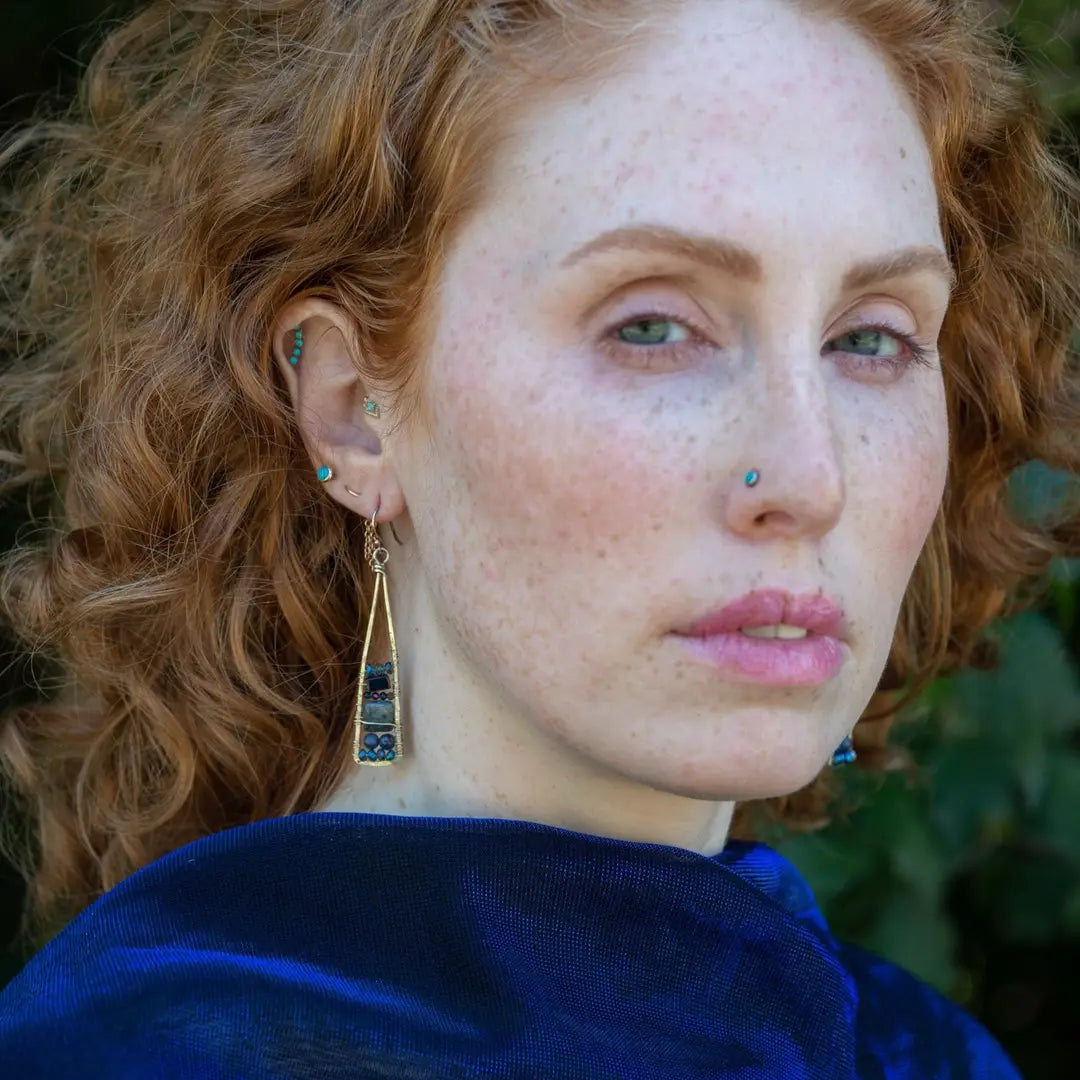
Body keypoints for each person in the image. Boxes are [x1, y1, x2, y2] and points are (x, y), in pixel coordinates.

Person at [0, 0, 1076, 1074]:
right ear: (351, 410)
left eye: (874, 339)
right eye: (653, 327)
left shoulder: (926, 1061)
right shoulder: (117, 1055)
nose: (808, 478)